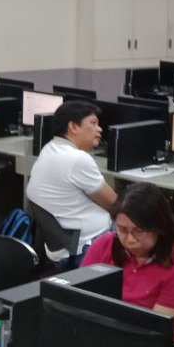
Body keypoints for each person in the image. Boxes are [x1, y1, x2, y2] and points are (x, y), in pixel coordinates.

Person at [81, 182, 174, 341]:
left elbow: (157, 332)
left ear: (159, 227)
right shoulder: (104, 245)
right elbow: (79, 298)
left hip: (149, 346)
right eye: (122, 229)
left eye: (138, 231)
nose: (129, 239)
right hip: (101, 335)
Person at [25, 100, 118, 261]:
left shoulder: (50, 148)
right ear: (73, 127)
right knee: (140, 224)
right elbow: (113, 203)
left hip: (63, 246)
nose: (99, 129)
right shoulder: (77, 159)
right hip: (85, 248)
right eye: (93, 123)